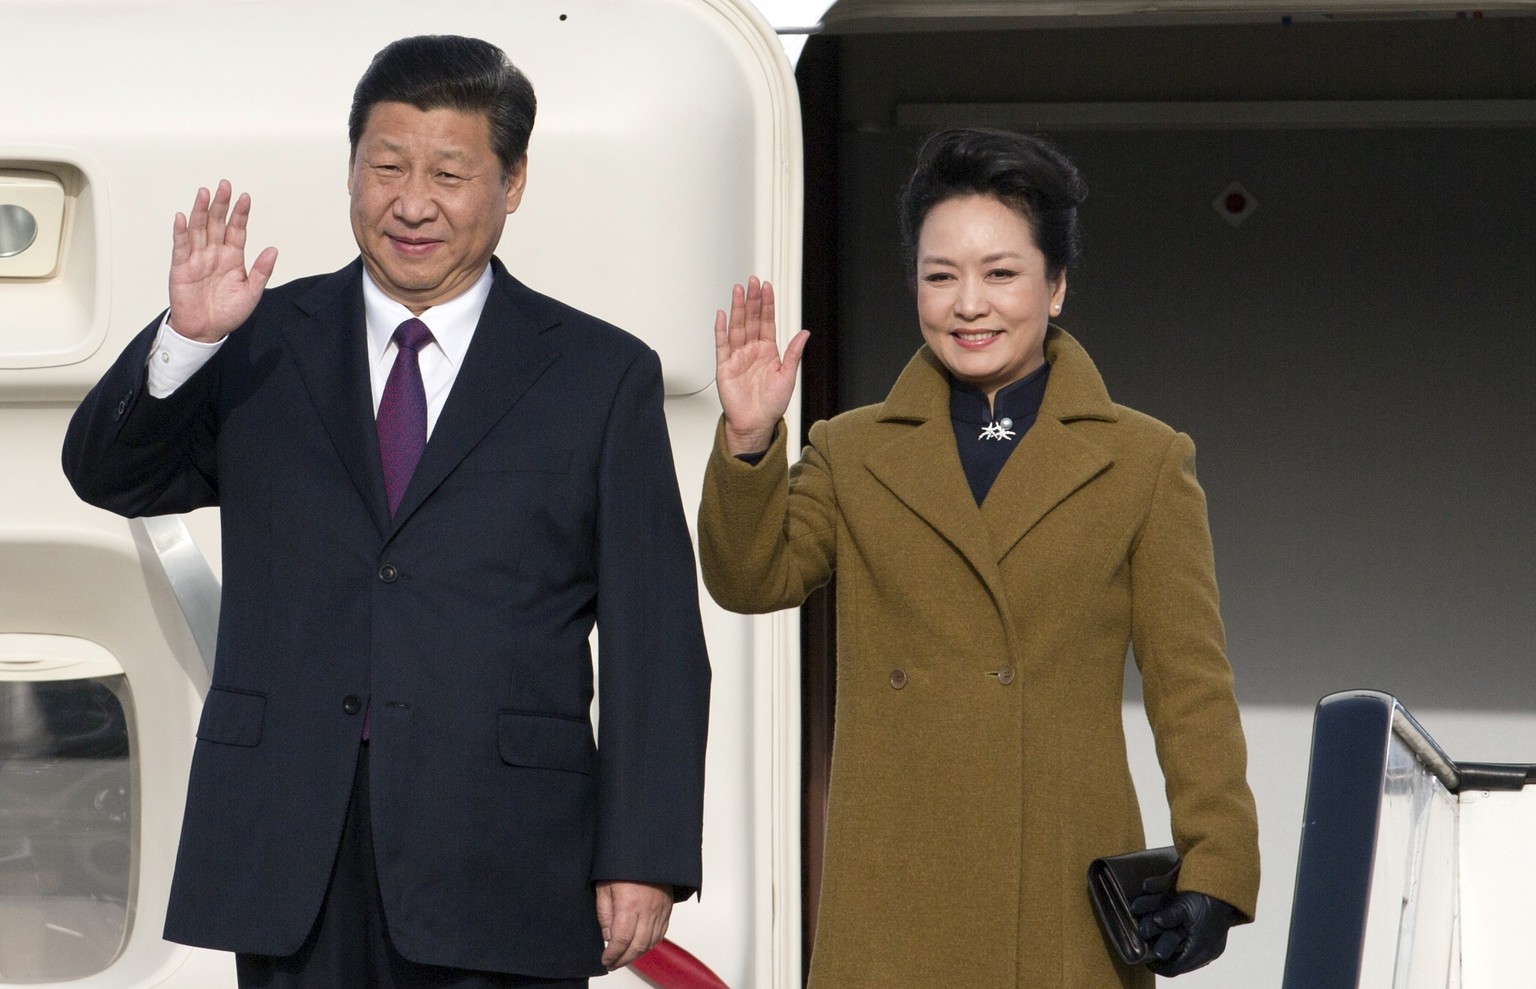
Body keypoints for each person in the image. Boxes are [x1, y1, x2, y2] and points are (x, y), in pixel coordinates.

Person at [62, 34, 710, 989]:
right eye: (386, 167)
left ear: (513, 181)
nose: (412, 203)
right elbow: (109, 474)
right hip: (295, 841)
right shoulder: (260, 339)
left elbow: (656, 633)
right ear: (352, 168)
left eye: (450, 173)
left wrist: (643, 850)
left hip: (502, 846)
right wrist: (185, 342)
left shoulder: (596, 374)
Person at [698, 128, 1259, 988]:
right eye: (940, 275)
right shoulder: (852, 450)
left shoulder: (1144, 460)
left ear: (1058, 285)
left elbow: (1192, 688)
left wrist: (1215, 871)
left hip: (1059, 895)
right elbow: (750, 577)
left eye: (1001, 273)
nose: (969, 304)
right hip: (893, 893)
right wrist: (748, 438)